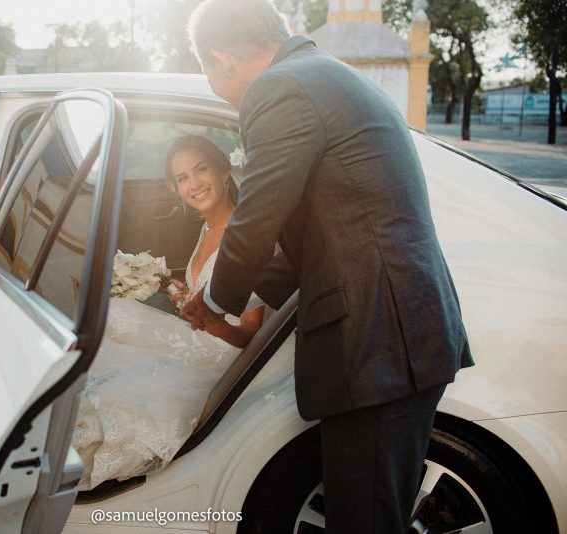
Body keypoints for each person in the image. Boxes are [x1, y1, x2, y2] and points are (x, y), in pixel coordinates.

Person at [181, 1, 474, 532]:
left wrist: (215, 300)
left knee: (363, 521)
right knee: (375, 513)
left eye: (206, 69)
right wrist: (241, 300)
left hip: (377, 343)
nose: (211, 83)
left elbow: (257, 218)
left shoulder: (280, 88)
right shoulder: (322, 73)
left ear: (221, 59)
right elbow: (315, 238)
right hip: (397, 333)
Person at [72, 135, 264, 490]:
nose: (194, 184)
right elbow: (210, 295)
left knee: (116, 318)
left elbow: (252, 332)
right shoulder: (207, 229)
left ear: (223, 172)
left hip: (223, 354)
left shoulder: (246, 234)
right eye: (183, 178)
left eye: (201, 170)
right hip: (198, 336)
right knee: (113, 318)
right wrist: (184, 295)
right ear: (174, 189)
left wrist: (215, 324)